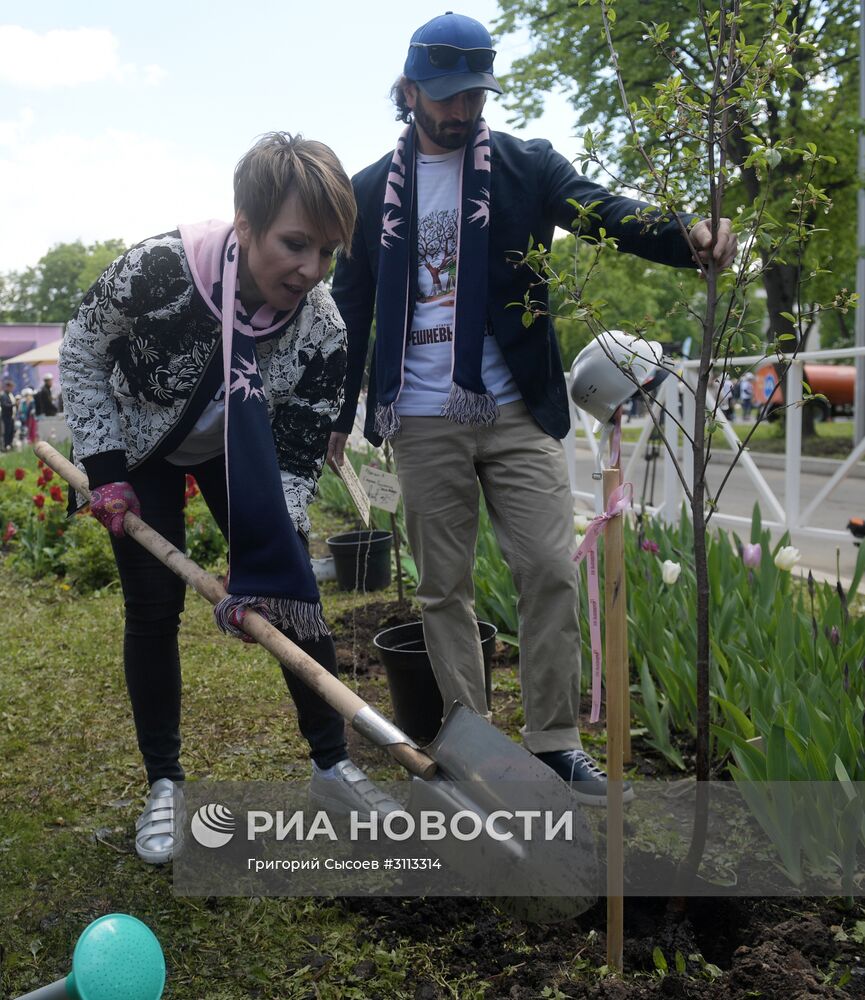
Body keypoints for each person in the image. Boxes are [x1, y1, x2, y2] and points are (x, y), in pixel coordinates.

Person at [327, 12, 737, 805]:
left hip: (516, 408)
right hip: (417, 415)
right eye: (444, 96)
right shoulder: (369, 191)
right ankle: (474, 742)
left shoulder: (524, 167)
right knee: (443, 588)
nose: (460, 111)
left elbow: (601, 211)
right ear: (408, 91)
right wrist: (337, 414)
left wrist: (684, 233)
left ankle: (552, 745)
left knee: (547, 571)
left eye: (474, 95)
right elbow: (350, 308)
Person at [60, 132, 395, 865]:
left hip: (236, 451)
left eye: (328, 251)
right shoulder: (159, 270)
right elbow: (81, 347)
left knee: (291, 587)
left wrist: (259, 574)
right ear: (244, 225)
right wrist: (106, 467)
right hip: (140, 441)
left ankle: (333, 765)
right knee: (152, 607)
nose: (311, 270)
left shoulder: (323, 331)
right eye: (296, 243)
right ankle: (165, 785)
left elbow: (298, 461)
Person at [0, 379, 15, 451]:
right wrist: (13, 404)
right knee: (6, 431)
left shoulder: (9, 395)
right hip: (6, 417)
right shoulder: (3, 395)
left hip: (11, 416)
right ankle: (5, 446)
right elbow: (4, 405)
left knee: (11, 431)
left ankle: (9, 444)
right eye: (10, 387)